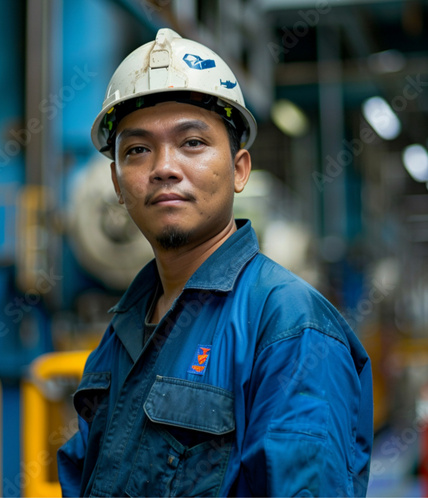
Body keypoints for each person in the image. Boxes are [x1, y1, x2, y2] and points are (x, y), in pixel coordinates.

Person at [57, 28, 373, 497]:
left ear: (240, 169)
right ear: (117, 183)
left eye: (192, 142)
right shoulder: (123, 331)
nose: (164, 167)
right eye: (138, 150)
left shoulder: (289, 328)